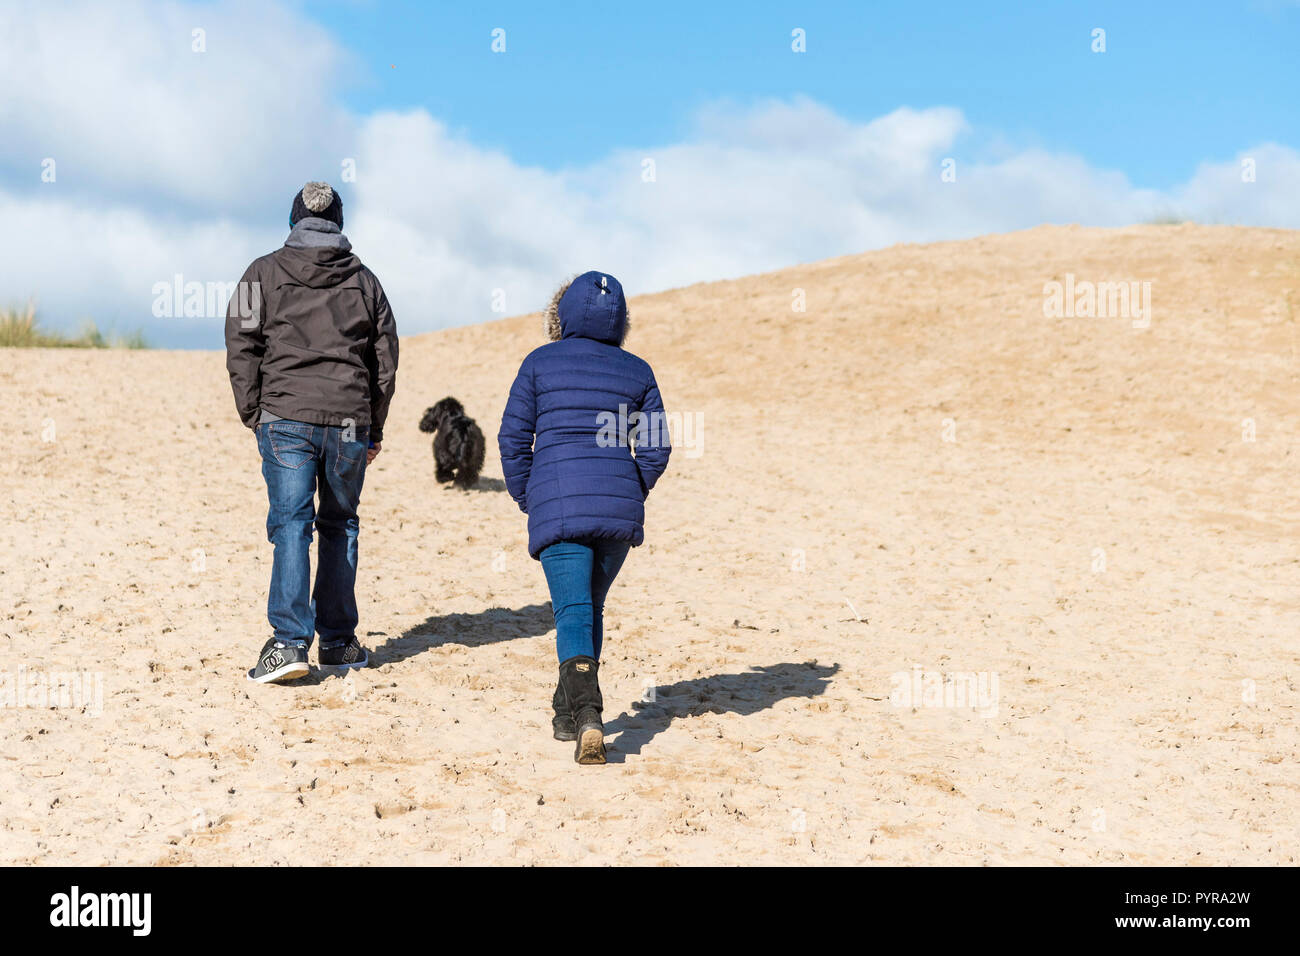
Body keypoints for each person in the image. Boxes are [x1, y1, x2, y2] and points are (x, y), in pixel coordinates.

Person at [225, 181, 398, 683]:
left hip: (286, 418)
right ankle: (339, 644)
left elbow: (242, 343)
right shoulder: (365, 281)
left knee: (292, 526)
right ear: (339, 225)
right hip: (347, 419)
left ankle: (289, 643)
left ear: (293, 221)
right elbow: (383, 360)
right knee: (340, 524)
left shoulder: (263, 272)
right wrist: (373, 426)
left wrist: (254, 411)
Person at [498, 271, 671, 763]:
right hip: (617, 511)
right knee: (588, 608)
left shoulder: (538, 363)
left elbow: (513, 440)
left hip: (559, 504)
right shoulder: (638, 371)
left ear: (561, 315)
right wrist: (630, 490)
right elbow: (657, 447)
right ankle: (565, 711)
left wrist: (530, 497)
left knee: (572, 610)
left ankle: (589, 712)